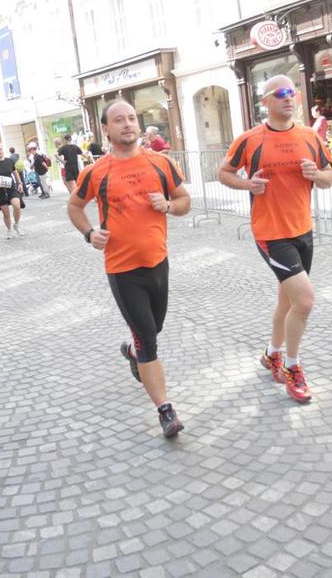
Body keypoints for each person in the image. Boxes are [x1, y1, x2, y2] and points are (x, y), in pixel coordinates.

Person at [67, 100, 191, 438]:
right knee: (149, 340)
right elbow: (74, 206)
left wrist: (168, 205)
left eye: (132, 118)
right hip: (122, 269)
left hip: (158, 262)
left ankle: (134, 352)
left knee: (155, 327)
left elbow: (184, 201)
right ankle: (165, 410)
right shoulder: (96, 172)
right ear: (106, 129)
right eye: (119, 120)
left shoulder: (160, 163)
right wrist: (89, 233)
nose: (127, 124)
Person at [218, 75, 332, 403]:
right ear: (265, 101)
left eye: (292, 92)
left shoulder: (310, 136)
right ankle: (292, 367)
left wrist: (317, 175)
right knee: (304, 300)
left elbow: (329, 177)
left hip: (303, 230)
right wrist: (247, 185)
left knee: (287, 300)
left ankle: (272, 354)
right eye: (281, 93)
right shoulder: (250, 140)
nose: (288, 98)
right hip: (271, 233)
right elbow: (223, 173)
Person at [0, 142, 25, 239]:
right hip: (0, 191)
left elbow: (15, 172)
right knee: (6, 213)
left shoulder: (9, 161)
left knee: (17, 206)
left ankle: (16, 224)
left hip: (11, 188)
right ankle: (9, 229)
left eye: (1, 149)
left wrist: (19, 183)